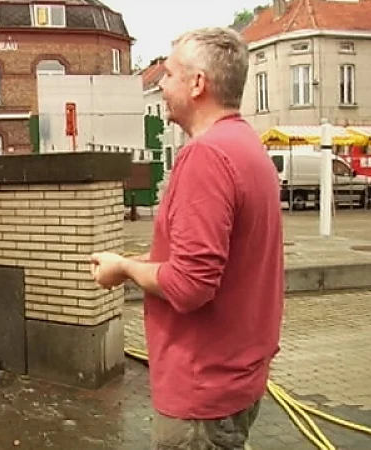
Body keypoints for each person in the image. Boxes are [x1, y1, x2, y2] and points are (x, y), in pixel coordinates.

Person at [89, 27, 284, 449]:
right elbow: (217, 260)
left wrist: (123, 268)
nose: (160, 82)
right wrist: (139, 262)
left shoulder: (206, 156)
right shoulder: (247, 146)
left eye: (170, 73)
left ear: (198, 84)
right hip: (238, 378)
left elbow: (193, 285)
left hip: (203, 389)